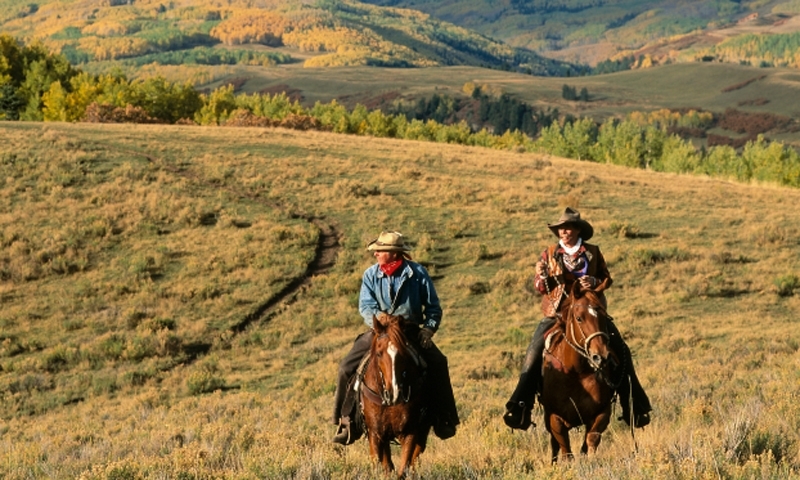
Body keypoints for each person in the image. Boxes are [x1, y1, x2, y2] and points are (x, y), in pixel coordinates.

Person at [502, 207, 652, 431]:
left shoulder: (593, 251)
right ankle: (521, 406)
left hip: (589, 311)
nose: (563, 232)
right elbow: (540, 288)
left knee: (621, 350)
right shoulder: (549, 253)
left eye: (567, 228)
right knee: (533, 352)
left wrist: (594, 282)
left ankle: (633, 405)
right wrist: (542, 276)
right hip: (558, 312)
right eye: (560, 229)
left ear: (576, 230)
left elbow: (606, 278)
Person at [332, 231, 460, 445]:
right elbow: (365, 306)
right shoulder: (370, 275)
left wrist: (428, 330)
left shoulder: (418, 273)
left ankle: (444, 417)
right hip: (379, 332)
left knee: (439, 362)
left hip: (409, 331)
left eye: (380, 251)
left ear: (394, 254)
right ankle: (345, 421)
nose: (376, 255)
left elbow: (433, 308)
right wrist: (380, 317)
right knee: (346, 366)